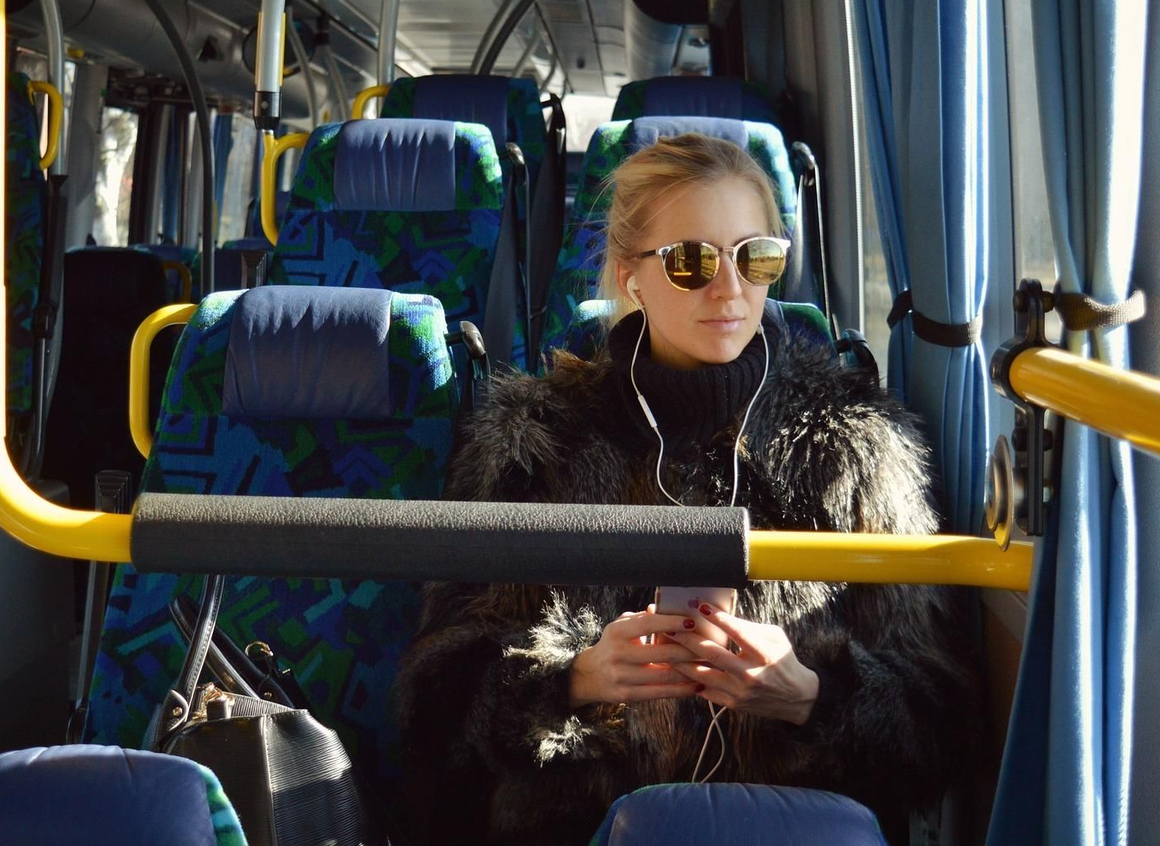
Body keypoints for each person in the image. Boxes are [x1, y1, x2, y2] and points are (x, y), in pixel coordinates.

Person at [395, 134, 981, 845]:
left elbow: (942, 717)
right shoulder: (532, 445)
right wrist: (575, 680)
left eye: (755, 256)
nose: (730, 288)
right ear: (629, 274)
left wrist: (811, 696)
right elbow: (434, 702)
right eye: (692, 260)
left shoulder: (855, 446)